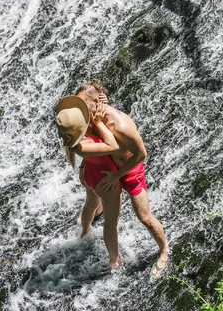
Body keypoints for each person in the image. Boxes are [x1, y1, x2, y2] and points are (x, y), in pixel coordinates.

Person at [56, 81, 168, 278]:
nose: (80, 111)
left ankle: (164, 251)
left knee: (145, 218)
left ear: (97, 102)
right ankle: (91, 232)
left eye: (83, 105)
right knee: (97, 208)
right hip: (105, 168)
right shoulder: (87, 117)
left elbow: (141, 154)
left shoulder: (120, 125)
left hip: (129, 169)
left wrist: (118, 174)